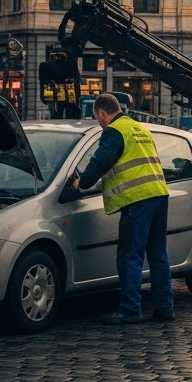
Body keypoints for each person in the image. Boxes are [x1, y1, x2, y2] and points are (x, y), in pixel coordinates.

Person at [74, 93, 173, 325]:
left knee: (130, 255)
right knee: (158, 255)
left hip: (136, 199)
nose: (99, 123)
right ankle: (165, 307)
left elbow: (100, 161)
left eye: (97, 118)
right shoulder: (139, 128)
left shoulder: (114, 131)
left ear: (101, 113)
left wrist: (82, 183)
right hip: (159, 193)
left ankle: (130, 308)